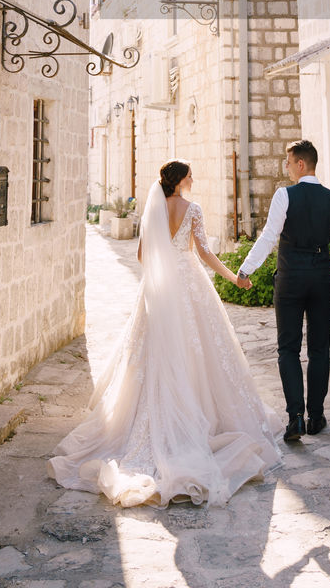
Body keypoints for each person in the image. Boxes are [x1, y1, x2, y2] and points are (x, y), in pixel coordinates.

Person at [47, 160, 281, 507]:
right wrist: (234, 278)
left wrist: (162, 275)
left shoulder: (155, 209)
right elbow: (203, 252)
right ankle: (199, 422)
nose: (193, 178)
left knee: (153, 354)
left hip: (159, 290)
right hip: (189, 286)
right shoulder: (193, 209)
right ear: (180, 181)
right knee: (200, 353)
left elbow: (144, 255)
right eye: (190, 174)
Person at [236, 139, 330, 442]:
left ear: (301, 164)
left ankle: (295, 418)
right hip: (321, 278)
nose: (287, 167)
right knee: (320, 349)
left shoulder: (285, 195)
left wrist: (246, 269)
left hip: (291, 278)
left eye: (288, 162)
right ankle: (315, 416)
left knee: (288, 348)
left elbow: (268, 237)